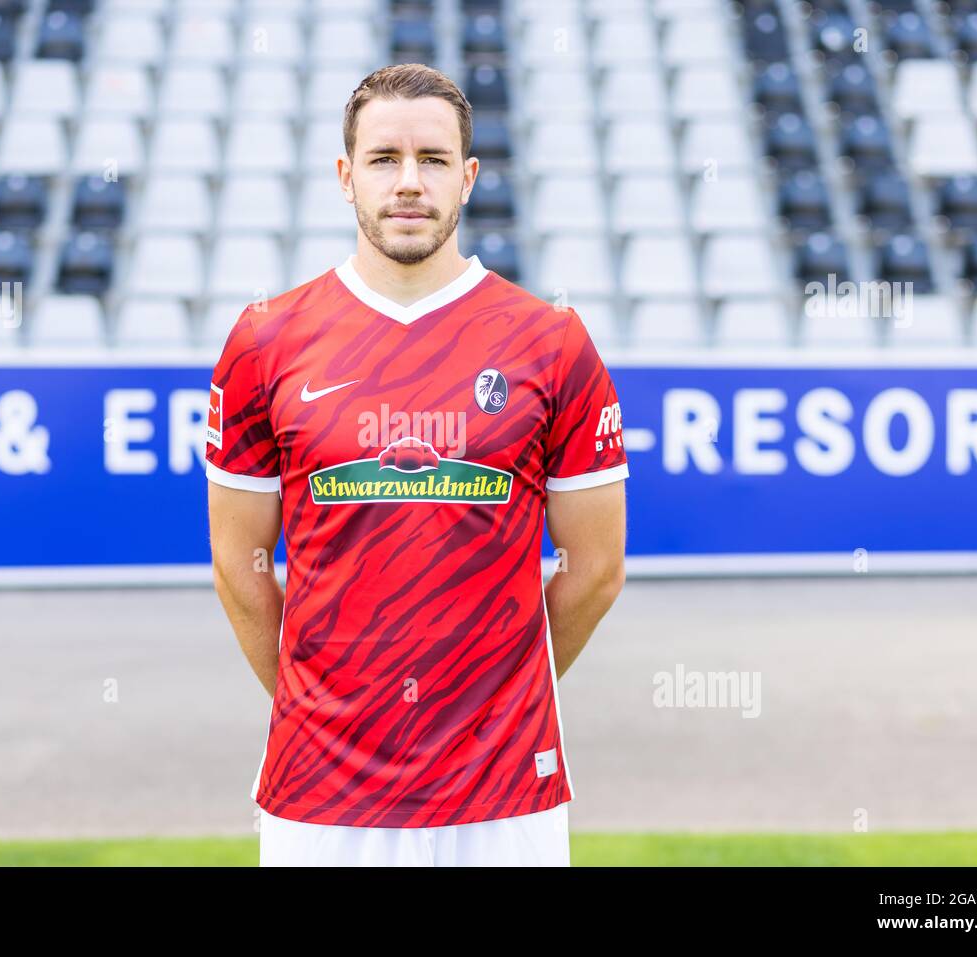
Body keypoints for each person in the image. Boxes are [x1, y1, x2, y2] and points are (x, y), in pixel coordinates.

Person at [206, 63, 627, 866]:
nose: (408, 182)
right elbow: (237, 561)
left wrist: (493, 694)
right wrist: (322, 703)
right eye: (384, 159)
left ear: (466, 178)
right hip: (320, 792)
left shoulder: (550, 341)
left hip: (505, 790)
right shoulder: (267, 341)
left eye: (433, 160)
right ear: (345, 175)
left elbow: (597, 567)